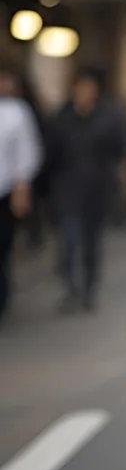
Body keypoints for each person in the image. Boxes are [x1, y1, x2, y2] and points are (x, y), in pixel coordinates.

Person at [47, 70, 126, 313]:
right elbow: (50, 153)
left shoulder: (109, 117)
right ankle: (70, 284)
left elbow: (120, 149)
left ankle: (89, 288)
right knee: (69, 238)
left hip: (97, 187)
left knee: (92, 240)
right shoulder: (62, 118)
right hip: (67, 186)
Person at [0, 67, 43, 322]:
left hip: (6, 189)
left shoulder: (17, 112)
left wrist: (22, 187)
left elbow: (27, 151)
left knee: (2, 245)